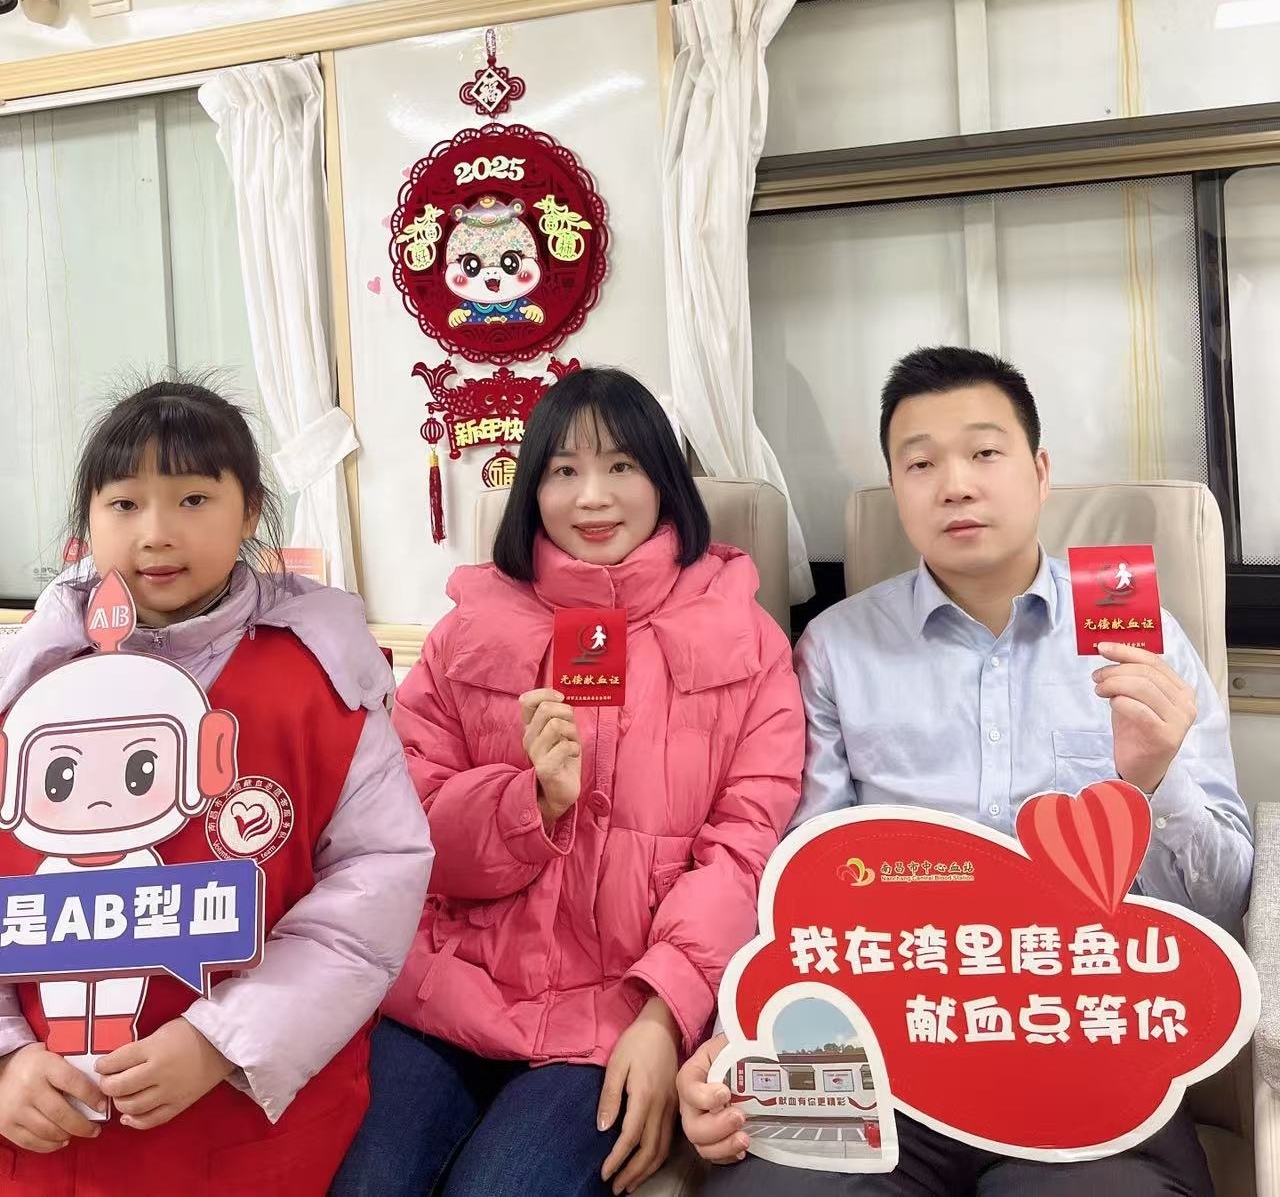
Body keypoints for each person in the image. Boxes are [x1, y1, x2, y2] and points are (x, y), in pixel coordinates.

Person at [676, 346, 1252, 1196]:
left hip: (1084, 1044)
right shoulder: (835, 650)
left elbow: (1223, 904)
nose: (955, 485)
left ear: (1040, 472)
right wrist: (741, 1029)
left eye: (984, 452)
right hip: (881, 1055)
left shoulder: (1144, 640)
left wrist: (1156, 781)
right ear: (896, 487)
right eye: (921, 464)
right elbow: (798, 885)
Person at [332, 367, 806, 1197]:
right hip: (448, 987)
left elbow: (746, 853)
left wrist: (665, 1013)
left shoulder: (746, 639)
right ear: (532, 490)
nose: (592, 496)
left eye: (621, 466)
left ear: (665, 482)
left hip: (613, 1015)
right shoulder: (467, 630)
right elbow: (406, 825)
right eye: (564, 470)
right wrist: (529, 804)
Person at [0, 378, 433, 1195]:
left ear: (250, 509)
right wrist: (6, 1059)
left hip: (245, 1122)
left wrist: (224, 1041)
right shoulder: (25, 682)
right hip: (46, 1135)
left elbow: (374, 889)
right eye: (124, 504)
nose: (157, 534)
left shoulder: (320, 679)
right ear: (87, 519)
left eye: (194, 499)